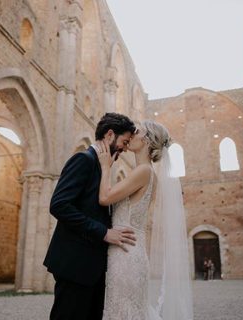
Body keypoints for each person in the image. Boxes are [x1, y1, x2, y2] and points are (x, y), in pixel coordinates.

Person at [96, 120, 193, 320]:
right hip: (130, 251)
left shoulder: (143, 172)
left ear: (148, 140)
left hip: (126, 254)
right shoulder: (147, 174)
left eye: (137, 131)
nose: (131, 134)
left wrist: (106, 166)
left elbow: (105, 198)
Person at [43, 113, 137, 320]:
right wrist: (104, 233)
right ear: (110, 135)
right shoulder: (83, 160)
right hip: (75, 264)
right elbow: (59, 205)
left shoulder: (103, 165)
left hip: (92, 266)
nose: (125, 148)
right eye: (124, 141)